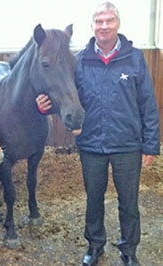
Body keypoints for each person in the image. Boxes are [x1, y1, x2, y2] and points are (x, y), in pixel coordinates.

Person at [36, 2, 160, 266]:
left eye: (109, 20)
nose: (104, 26)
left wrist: (151, 145)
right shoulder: (80, 60)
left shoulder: (134, 58)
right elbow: (65, 95)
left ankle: (129, 251)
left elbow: (147, 103)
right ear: (93, 26)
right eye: (99, 21)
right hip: (91, 142)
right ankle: (95, 246)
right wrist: (44, 105)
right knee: (94, 200)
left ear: (118, 23)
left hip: (127, 143)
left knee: (129, 202)